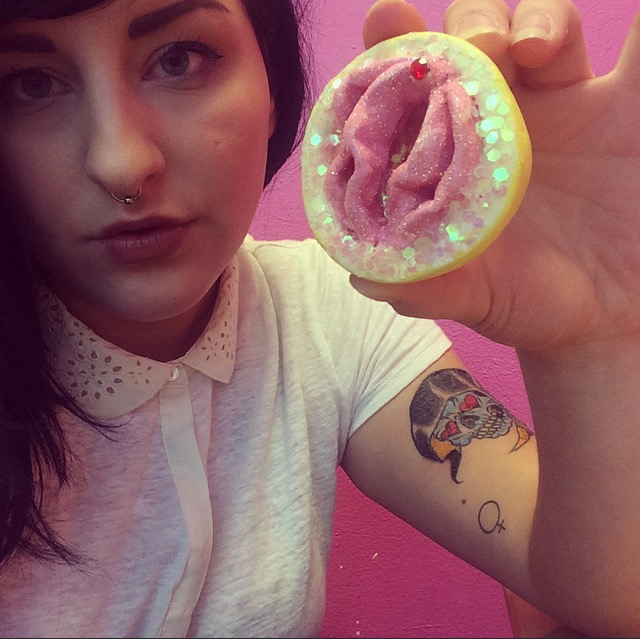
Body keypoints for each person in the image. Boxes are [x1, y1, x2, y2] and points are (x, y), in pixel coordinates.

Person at [0, 0, 637, 637]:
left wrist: (593, 339)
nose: (121, 163)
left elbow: (607, 592)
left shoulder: (330, 310)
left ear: (275, 89)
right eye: (31, 84)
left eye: (178, 60)